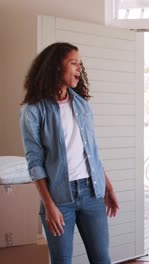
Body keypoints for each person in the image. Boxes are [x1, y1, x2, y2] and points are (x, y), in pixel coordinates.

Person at [20, 42, 119, 264]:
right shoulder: (33, 110)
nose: (79, 70)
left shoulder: (83, 106)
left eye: (80, 65)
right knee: (62, 261)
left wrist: (108, 188)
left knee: (102, 259)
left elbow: (92, 153)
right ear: (56, 66)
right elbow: (34, 162)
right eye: (74, 63)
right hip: (59, 199)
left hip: (92, 192)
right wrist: (49, 205)